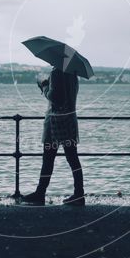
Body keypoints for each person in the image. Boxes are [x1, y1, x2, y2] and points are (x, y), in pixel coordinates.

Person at [21, 66, 85, 206]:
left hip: (55, 121)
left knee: (48, 158)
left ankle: (40, 193)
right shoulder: (73, 74)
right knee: (73, 158)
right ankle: (79, 193)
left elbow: (55, 97)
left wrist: (44, 87)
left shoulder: (56, 72)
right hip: (70, 120)